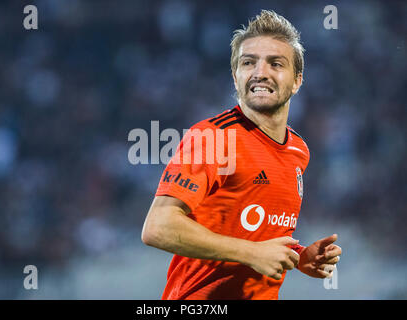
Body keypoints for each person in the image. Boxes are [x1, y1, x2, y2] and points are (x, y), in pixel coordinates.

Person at [141, 10, 342, 300]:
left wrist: (299, 257)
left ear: (297, 81)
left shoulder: (298, 150)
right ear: (236, 78)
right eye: (249, 63)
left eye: (276, 63)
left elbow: (256, 232)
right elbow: (158, 227)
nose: (260, 72)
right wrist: (252, 253)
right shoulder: (213, 138)